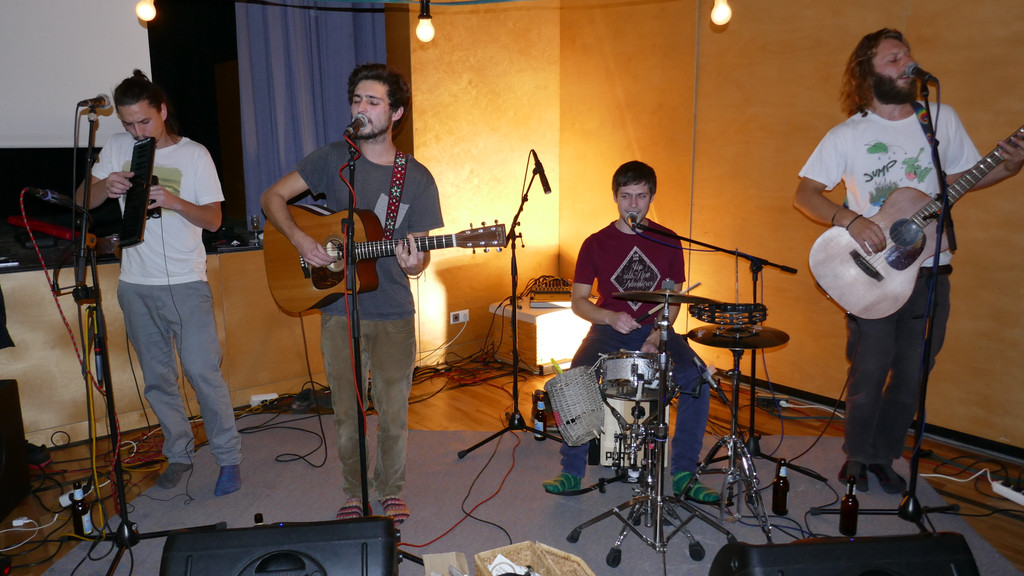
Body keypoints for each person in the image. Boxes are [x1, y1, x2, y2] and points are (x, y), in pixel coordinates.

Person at [794, 29, 1023, 494]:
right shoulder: (848, 134)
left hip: (931, 265)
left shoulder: (938, 119)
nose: (907, 63)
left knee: (913, 371)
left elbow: (962, 178)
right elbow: (805, 194)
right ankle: (857, 454)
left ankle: (884, 455)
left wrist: (1010, 165)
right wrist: (850, 219)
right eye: (893, 58)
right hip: (874, 271)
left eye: (907, 55)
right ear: (868, 73)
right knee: (870, 368)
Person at [260, 63, 442, 525]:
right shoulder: (333, 159)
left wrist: (414, 263)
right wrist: (301, 239)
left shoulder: (416, 178)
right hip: (339, 307)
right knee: (347, 412)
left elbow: (420, 255)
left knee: (393, 412)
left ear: (395, 113)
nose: (361, 108)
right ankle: (355, 492)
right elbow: (272, 198)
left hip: (393, 310)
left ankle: (390, 489)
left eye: (373, 101)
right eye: (357, 100)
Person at [75, 70, 243, 496]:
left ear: (163, 112)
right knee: (157, 378)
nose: (137, 131)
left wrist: (172, 200)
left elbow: (214, 220)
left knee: (202, 372)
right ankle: (179, 454)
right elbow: (81, 200)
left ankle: (228, 458)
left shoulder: (194, 155)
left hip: (186, 282)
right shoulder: (117, 147)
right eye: (128, 123)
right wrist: (104, 186)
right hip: (135, 284)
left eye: (144, 121)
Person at [542, 161, 719, 504]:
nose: (633, 204)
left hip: (656, 330)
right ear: (615, 197)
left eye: (641, 196)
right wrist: (609, 317)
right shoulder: (595, 243)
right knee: (575, 378)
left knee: (696, 378)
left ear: (652, 197)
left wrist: (656, 334)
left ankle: (684, 471)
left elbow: (672, 300)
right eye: (626, 196)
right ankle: (571, 470)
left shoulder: (669, 240)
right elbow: (578, 301)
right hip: (607, 330)